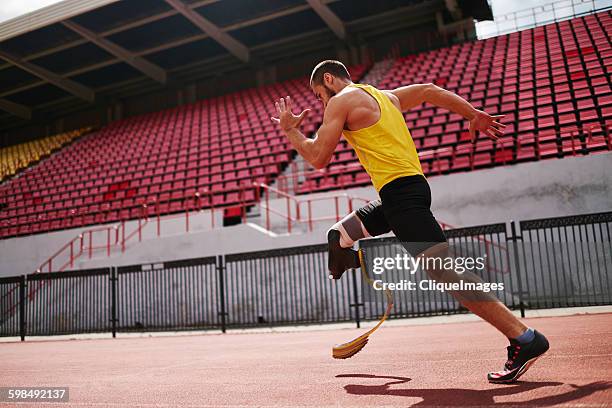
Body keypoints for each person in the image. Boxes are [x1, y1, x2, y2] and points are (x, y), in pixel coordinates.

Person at [271, 60, 549, 383]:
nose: (322, 103)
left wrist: (290, 130)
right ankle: (346, 252)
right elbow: (430, 91)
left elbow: (318, 157)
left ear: (329, 79)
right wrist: (472, 113)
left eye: (320, 95)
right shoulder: (385, 96)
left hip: (401, 195)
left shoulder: (341, 101)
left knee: (443, 269)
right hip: (404, 193)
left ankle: (525, 339)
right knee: (338, 235)